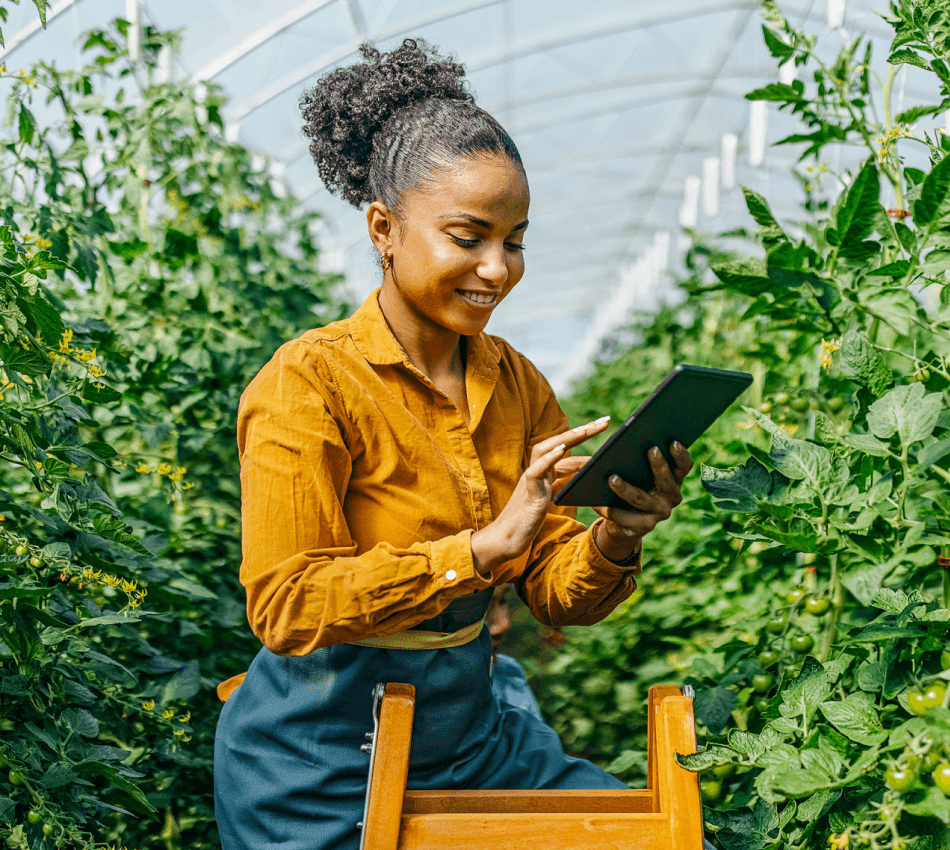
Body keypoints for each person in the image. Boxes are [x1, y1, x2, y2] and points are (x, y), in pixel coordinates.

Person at [213, 39, 693, 850]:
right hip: (319, 764)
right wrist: (474, 553)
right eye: (468, 236)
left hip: (474, 739)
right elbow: (286, 605)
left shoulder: (518, 384)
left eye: (515, 241)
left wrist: (615, 532)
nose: (498, 268)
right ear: (384, 228)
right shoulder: (310, 382)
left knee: (659, 835)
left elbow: (554, 592)